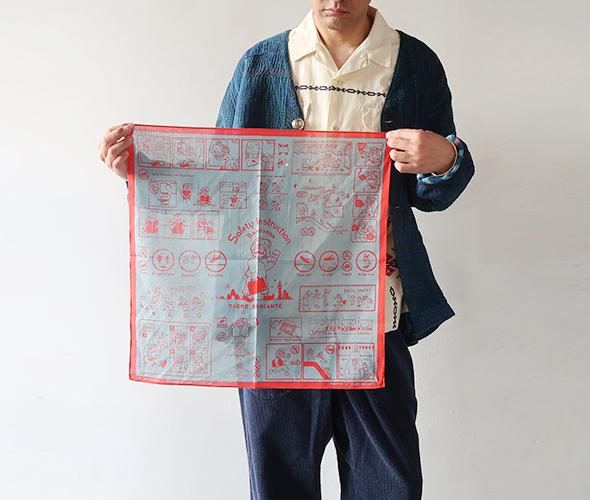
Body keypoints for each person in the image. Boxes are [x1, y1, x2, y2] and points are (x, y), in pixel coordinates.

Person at [97, 1, 474, 499]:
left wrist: (446, 158)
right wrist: (143, 171)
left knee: (389, 483)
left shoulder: (415, 63)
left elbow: (434, 195)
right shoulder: (261, 64)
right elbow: (223, 176)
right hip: (270, 316)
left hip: (371, 313)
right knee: (279, 482)